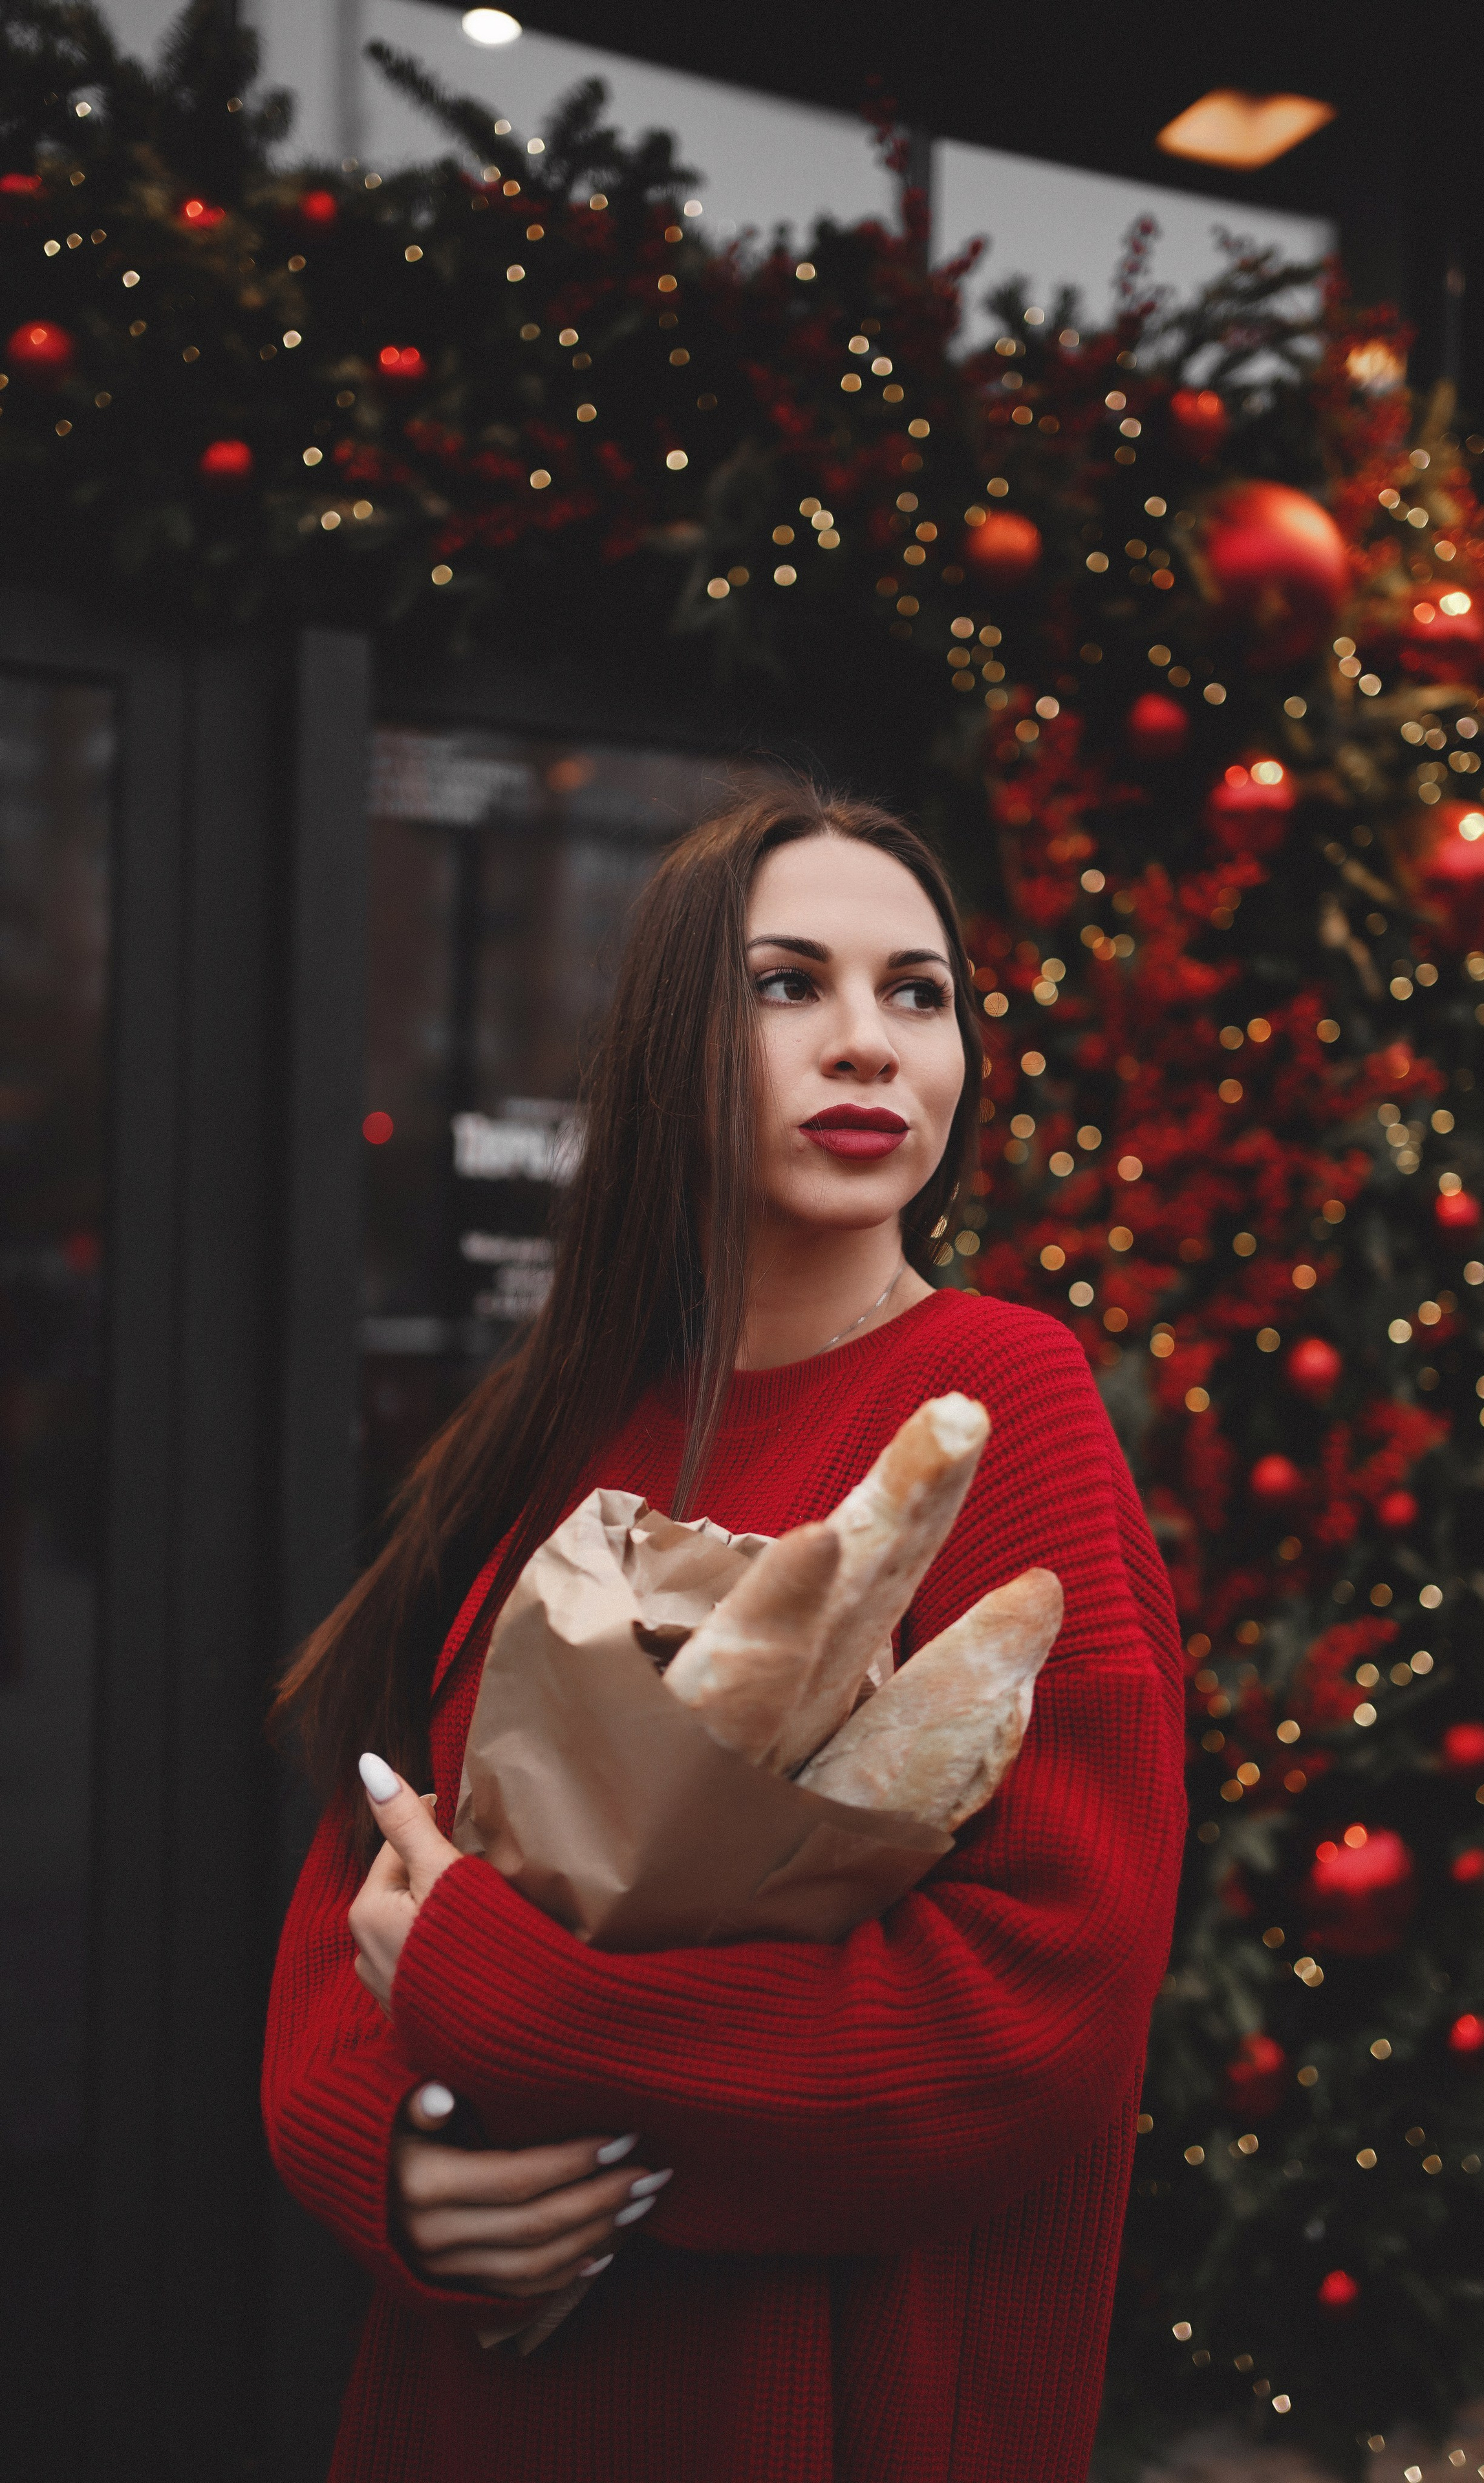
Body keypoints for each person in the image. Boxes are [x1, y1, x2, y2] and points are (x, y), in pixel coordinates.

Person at [264, 788, 1187, 2483]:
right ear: (671, 1043)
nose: (868, 1043)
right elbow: (373, 1856)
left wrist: (516, 2016)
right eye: (788, 983)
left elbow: (1030, 2021)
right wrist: (382, 2155)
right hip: (475, 2404)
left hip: (800, 2409)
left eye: (920, 993)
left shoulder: (1002, 1405)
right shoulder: (572, 1417)